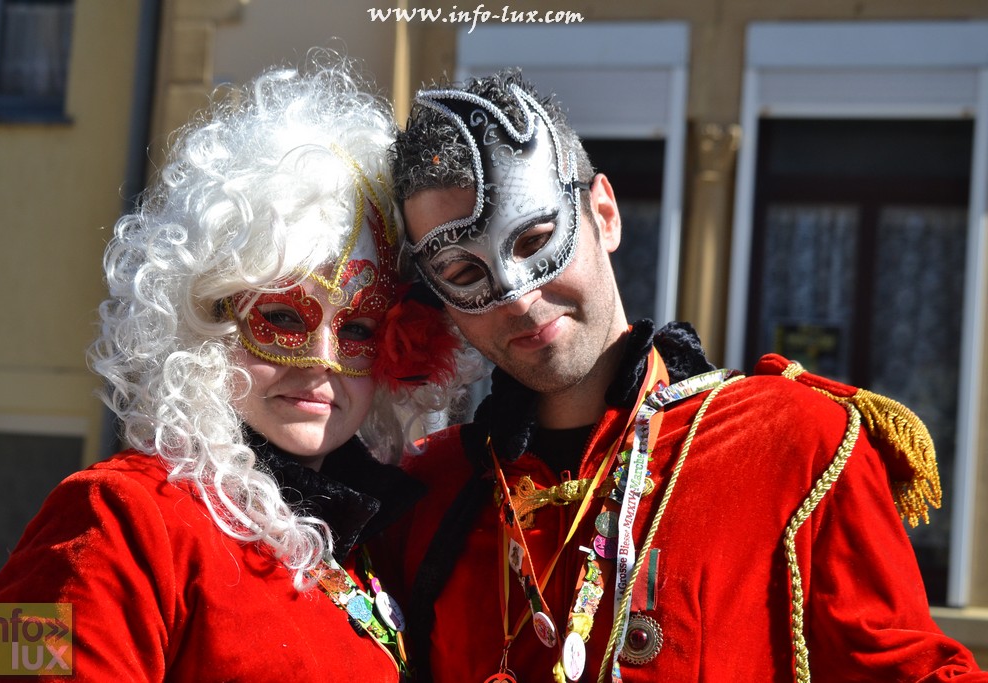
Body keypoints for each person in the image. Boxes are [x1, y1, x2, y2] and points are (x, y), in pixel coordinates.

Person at [387, 69, 987, 682]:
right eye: (464, 273)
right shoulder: (426, 496)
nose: (516, 296)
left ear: (605, 213)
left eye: (536, 239)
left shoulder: (793, 444)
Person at [0, 54, 465, 681]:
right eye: (286, 319)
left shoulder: (369, 547)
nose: (321, 362)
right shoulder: (105, 510)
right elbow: (7, 664)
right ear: (209, 317)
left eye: (357, 329)